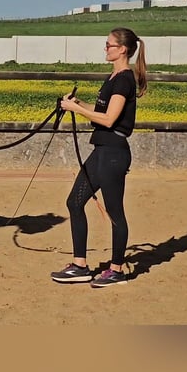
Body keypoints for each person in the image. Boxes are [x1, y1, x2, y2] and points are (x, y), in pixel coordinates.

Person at [50, 27, 148, 288]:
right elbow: (101, 110)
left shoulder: (124, 79)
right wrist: (79, 104)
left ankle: (116, 269)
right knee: (74, 202)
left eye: (109, 45)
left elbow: (109, 119)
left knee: (115, 212)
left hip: (114, 153)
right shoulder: (113, 77)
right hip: (102, 150)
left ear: (122, 49)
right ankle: (80, 265)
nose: (106, 49)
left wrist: (75, 110)